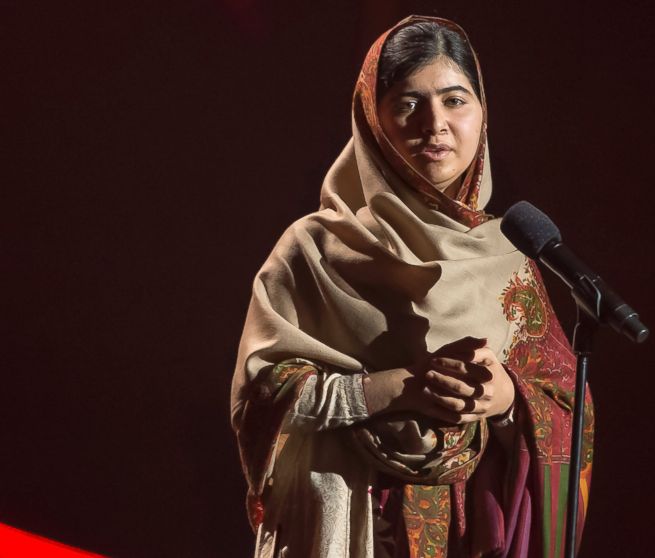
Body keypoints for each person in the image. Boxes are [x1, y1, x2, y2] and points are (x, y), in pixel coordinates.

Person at [231, 15, 593, 558]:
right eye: (406, 103)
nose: (436, 123)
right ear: (371, 122)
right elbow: (262, 397)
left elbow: (564, 397)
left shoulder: (510, 256)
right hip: (349, 532)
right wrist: (401, 387)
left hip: (467, 538)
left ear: (483, 113)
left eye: (455, 100)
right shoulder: (313, 249)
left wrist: (506, 399)